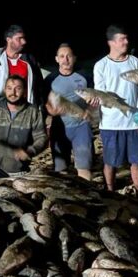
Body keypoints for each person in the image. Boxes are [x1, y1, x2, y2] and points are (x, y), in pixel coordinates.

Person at [93, 25, 138, 193]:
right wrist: (96, 101)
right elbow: (100, 93)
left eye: (126, 38)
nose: (126, 41)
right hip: (110, 124)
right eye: (121, 39)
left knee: (137, 161)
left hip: (134, 122)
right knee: (111, 162)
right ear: (111, 42)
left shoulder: (135, 61)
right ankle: (110, 191)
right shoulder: (101, 65)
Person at [45, 43, 94, 180]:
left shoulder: (85, 76)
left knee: (84, 167)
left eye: (69, 56)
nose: (65, 59)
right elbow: (44, 103)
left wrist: (91, 108)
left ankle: (87, 197)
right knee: (61, 170)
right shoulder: (50, 79)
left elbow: (94, 99)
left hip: (81, 127)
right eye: (62, 56)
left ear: (75, 58)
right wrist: (52, 112)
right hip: (59, 127)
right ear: (56, 59)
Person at [0, 24, 44, 113]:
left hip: (26, 111)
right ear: (8, 39)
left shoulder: (29, 60)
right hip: (0, 111)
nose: (24, 41)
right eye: (19, 38)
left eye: (24, 38)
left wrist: (40, 108)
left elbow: (39, 86)